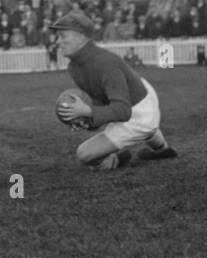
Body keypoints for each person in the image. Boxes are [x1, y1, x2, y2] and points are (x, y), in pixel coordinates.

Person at [50, 10, 179, 171]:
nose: (58, 41)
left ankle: (116, 159)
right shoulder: (74, 67)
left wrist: (87, 111)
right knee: (146, 126)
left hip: (139, 110)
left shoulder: (104, 63)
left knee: (84, 154)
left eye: (63, 36)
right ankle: (163, 150)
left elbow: (123, 112)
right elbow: (99, 101)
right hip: (138, 94)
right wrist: (85, 120)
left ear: (81, 36)